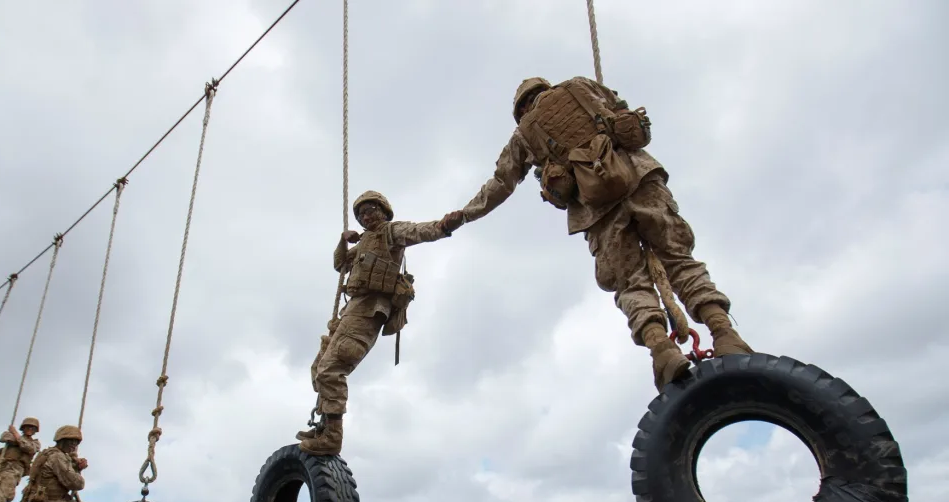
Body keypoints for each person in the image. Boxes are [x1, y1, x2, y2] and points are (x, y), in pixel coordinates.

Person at [458, 76, 753, 391]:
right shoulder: (580, 86)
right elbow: (622, 112)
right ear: (545, 88)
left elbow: (500, 184)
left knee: (631, 285)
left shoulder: (524, 135)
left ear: (520, 109)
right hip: (642, 181)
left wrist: (463, 215)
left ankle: (663, 351)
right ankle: (725, 334)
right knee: (679, 260)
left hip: (598, 211)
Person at [296, 191, 465, 455]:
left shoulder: (391, 232)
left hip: (368, 311)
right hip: (351, 311)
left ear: (384, 211)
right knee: (319, 369)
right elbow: (340, 264)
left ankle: (332, 437)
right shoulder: (364, 242)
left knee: (330, 370)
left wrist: (444, 226)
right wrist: (343, 241)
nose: (365, 215)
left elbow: (417, 231)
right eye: (361, 213)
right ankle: (325, 425)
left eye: (371, 209)